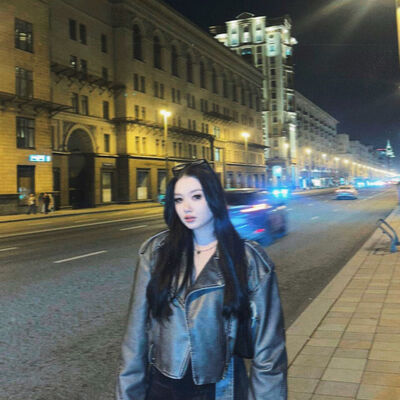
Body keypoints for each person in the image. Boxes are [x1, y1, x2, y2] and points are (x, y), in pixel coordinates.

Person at [116, 159, 287, 400]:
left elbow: (269, 352)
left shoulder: (248, 259)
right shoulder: (156, 252)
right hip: (161, 388)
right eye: (178, 199)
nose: (186, 207)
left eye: (196, 197)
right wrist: (128, 394)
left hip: (220, 389)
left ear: (214, 198)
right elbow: (135, 338)